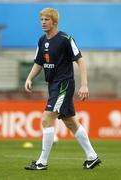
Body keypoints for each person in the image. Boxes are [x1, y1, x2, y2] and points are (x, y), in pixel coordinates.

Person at [24, 8, 101, 170]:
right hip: (53, 85)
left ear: (54, 21)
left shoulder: (66, 39)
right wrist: (30, 78)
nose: (43, 22)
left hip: (64, 84)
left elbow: (80, 60)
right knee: (71, 122)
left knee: (46, 118)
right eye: (41, 20)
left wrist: (84, 84)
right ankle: (92, 157)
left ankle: (42, 162)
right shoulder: (41, 41)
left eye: (46, 19)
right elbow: (39, 62)